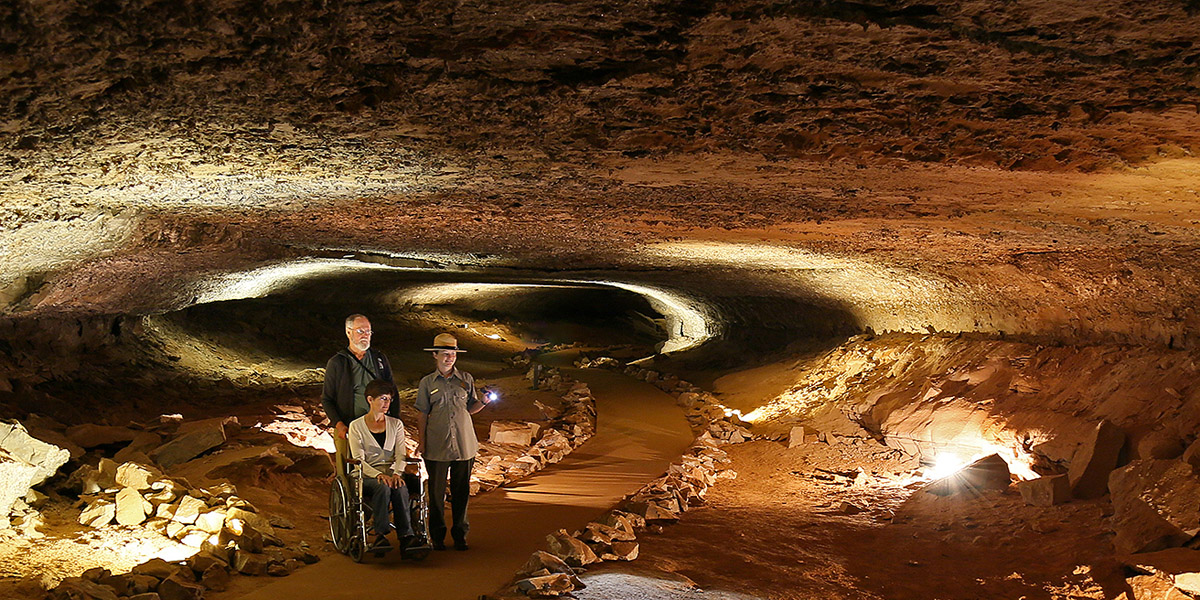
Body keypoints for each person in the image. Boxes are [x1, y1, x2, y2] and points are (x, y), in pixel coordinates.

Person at [415, 333, 492, 551]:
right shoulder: (427, 383)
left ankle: (460, 535)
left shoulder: (466, 379)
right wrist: (422, 442)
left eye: (453, 354)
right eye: (445, 354)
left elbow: (470, 408)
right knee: (436, 493)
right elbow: (422, 414)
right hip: (437, 444)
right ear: (435, 355)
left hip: (464, 443)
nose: (450, 358)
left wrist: (484, 402)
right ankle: (437, 536)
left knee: (461, 491)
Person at [322, 314, 397, 476]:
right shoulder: (338, 363)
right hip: (349, 426)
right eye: (360, 331)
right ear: (348, 332)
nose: (365, 336)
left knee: (381, 471)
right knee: (348, 472)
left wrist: (394, 422)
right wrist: (339, 424)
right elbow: (327, 398)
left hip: (379, 426)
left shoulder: (379, 360)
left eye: (368, 332)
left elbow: (393, 392)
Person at [348, 379, 414, 551]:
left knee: (400, 487)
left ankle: (406, 536)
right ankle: (380, 534)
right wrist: (378, 475)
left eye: (389, 399)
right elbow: (358, 459)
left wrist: (397, 473)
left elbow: (401, 453)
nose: (387, 403)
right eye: (383, 398)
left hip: (391, 472)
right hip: (367, 475)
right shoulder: (356, 426)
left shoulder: (395, 424)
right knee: (382, 487)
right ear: (370, 400)